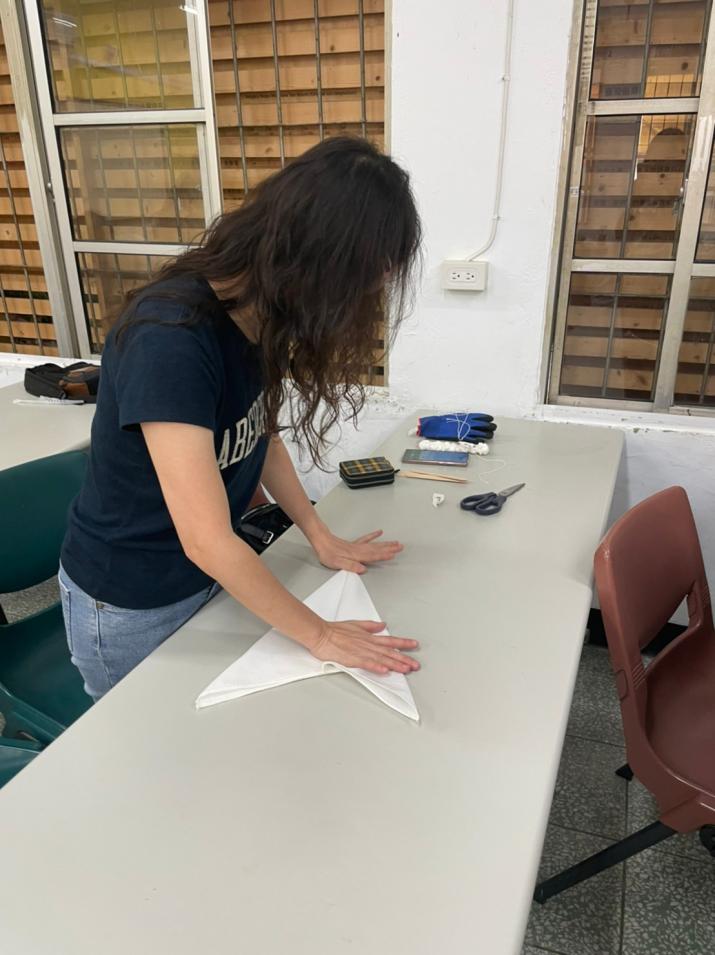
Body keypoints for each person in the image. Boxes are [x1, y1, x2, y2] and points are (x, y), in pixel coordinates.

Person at [58, 136, 423, 701]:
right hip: (132, 599)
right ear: (317, 258)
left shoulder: (260, 314)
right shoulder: (171, 340)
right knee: (152, 743)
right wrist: (321, 634)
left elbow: (262, 435)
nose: (367, 297)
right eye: (362, 279)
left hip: (209, 578)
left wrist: (319, 534)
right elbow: (206, 539)